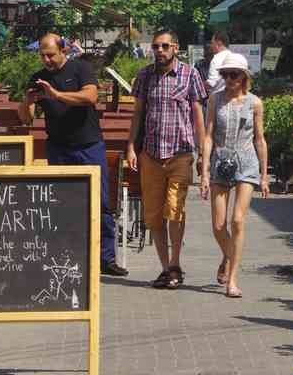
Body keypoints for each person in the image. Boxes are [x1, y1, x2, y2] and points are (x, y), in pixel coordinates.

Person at [18, 32, 128, 277]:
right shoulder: (38, 78)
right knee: (61, 204)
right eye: (42, 55)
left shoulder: (81, 68)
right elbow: (26, 119)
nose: (46, 60)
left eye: (51, 55)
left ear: (64, 51)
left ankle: (106, 259)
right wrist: (27, 102)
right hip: (58, 147)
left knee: (100, 202)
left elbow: (90, 97)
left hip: (88, 145)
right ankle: (67, 257)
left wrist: (55, 95)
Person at [127, 28, 206, 289]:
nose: (159, 51)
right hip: (150, 154)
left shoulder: (190, 74)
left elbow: (197, 114)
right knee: (153, 215)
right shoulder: (144, 76)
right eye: (156, 47)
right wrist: (131, 146)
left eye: (164, 46)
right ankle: (166, 268)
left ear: (175, 47)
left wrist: (203, 150)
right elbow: (137, 114)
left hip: (180, 152)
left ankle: (175, 263)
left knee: (174, 210)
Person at [200, 52, 269, 298]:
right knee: (219, 225)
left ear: (244, 77)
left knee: (237, 221)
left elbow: (260, 139)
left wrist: (264, 174)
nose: (229, 79)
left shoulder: (255, 103)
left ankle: (232, 279)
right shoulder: (214, 100)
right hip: (221, 160)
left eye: (234, 74)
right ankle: (229, 256)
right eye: (225, 74)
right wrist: (205, 172)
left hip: (246, 161)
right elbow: (208, 135)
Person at [206, 31, 230, 95]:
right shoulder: (233, 57)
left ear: (219, 43)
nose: (211, 46)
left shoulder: (216, 59)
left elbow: (211, 83)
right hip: (233, 98)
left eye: (212, 43)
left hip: (218, 100)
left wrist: (198, 85)